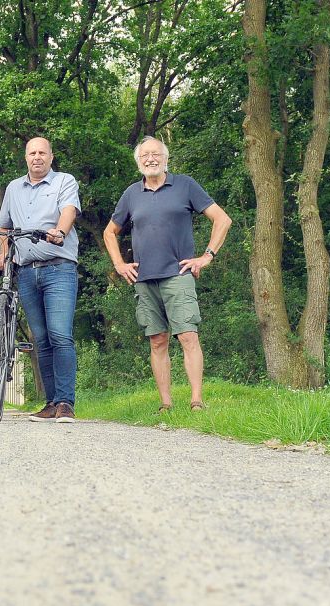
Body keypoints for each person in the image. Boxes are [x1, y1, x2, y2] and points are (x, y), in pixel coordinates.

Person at [103, 136, 232, 412]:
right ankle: (166, 404)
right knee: (157, 340)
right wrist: (120, 265)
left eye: (156, 154)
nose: (150, 159)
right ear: (139, 161)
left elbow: (222, 219)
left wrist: (207, 256)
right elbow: (109, 232)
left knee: (188, 336)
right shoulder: (131, 194)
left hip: (178, 274)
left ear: (166, 159)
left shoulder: (185, 185)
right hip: (144, 278)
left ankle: (196, 401)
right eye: (145, 155)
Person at [0, 137, 82, 423]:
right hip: (27, 271)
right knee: (41, 339)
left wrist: (60, 231)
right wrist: (3, 253)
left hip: (59, 268)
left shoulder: (64, 181)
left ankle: (66, 403)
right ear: (25, 157)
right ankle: (51, 402)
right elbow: (4, 226)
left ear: (51, 157)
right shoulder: (13, 188)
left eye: (42, 152)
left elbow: (68, 210)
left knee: (60, 334)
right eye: (32, 153)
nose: (37, 157)